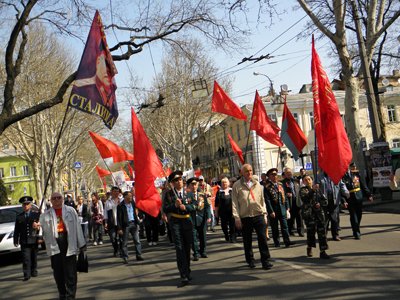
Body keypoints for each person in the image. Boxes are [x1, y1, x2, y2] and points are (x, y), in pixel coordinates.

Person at [39, 192, 86, 300]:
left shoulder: (71, 211)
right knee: (58, 271)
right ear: (50, 201)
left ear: (62, 199)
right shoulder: (46, 214)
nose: (56, 200)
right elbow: (40, 227)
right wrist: (37, 226)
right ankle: (62, 293)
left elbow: (78, 228)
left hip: (68, 241)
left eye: (58, 198)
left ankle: (70, 295)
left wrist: (82, 244)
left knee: (71, 272)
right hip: (55, 243)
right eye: (54, 198)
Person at [232, 164, 273, 270]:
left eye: (250, 170)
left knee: (262, 238)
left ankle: (265, 260)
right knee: (247, 240)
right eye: (246, 171)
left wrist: (264, 213)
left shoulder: (257, 184)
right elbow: (235, 203)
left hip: (258, 214)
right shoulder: (237, 185)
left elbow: (262, 199)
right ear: (241, 172)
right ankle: (250, 260)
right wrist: (236, 217)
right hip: (245, 216)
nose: (249, 172)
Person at [162, 170, 197, 286]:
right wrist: (174, 205)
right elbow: (165, 208)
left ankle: (187, 271)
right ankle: (183, 274)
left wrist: (186, 207)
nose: (179, 182)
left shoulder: (189, 192)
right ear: (172, 183)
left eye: (180, 179)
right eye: (176, 180)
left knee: (187, 248)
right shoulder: (168, 194)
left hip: (187, 222)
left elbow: (196, 205)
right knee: (180, 248)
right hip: (176, 223)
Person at [300, 175, 330, 259]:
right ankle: (309, 247)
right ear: (303, 182)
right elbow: (305, 199)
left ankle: (323, 251)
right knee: (311, 233)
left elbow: (324, 200)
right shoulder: (303, 190)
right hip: (309, 215)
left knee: (322, 232)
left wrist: (320, 204)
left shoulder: (318, 189)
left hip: (319, 214)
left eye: (309, 179)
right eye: (305, 180)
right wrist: (312, 191)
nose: (308, 181)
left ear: (312, 180)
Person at [342, 163, 373, 239]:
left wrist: (369, 195)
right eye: (352, 166)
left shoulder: (356, 174)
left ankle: (355, 227)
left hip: (359, 197)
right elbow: (341, 189)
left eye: (354, 166)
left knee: (359, 214)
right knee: (353, 216)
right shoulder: (342, 176)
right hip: (349, 198)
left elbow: (363, 185)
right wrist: (343, 200)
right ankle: (356, 232)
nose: (354, 167)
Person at [264, 168, 293, 248]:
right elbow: (267, 200)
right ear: (269, 176)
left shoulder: (280, 184)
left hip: (282, 208)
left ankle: (287, 241)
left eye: (275, 174)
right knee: (275, 227)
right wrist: (271, 211)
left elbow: (285, 196)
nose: (274, 176)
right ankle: (277, 242)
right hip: (274, 210)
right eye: (272, 175)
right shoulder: (267, 187)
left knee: (284, 226)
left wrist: (287, 208)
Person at [13, 196, 40, 281]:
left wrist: (40, 235)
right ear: (22, 206)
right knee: (26, 258)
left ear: (30, 205)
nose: (25, 206)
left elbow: (41, 228)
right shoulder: (19, 217)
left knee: (33, 257)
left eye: (27, 204)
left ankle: (33, 270)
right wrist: (15, 239)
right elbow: (16, 230)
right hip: (24, 241)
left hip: (34, 239)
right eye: (24, 205)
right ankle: (26, 274)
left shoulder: (36, 215)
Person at [317, 172, 349, 241]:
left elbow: (342, 185)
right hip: (324, 202)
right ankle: (324, 236)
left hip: (334, 201)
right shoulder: (319, 177)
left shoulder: (336, 175)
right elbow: (316, 188)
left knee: (334, 220)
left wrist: (346, 192)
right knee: (325, 220)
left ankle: (335, 235)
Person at [187, 177, 211, 260]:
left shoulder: (202, 194)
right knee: (193, 238)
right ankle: (196, 253)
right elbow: (186, 207)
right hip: (192, 219)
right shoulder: (187, 196)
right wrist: (192, 207)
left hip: (202, 219)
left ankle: (203, 251)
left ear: (197, 185)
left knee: (203, 237)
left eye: (195, 185)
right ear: (190, 186)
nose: (194, 186)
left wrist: (208, 216)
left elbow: (207, 206)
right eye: (192, 185)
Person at [117, 191, 143, 264]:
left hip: (134, 224)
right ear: (125, 197)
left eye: (131, 196)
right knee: (124, 242)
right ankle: (125, 257)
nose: (131, 197)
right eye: (129, 196)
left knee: (137, 241)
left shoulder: (133, 203)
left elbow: (136, 212)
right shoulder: (120, 206)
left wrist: (139, 219)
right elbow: (118, 218)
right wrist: (119, 228)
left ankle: (139, 255)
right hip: (126, 225)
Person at [281, 167, 304, 237]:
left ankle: (301, 231)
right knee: (290, 218)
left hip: (297, 201)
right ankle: (291, 231)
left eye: (290, 172)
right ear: (285, 174)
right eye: (287, 173)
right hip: (289, 202)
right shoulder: (282, 183)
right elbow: (282, 192)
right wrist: (286, 194)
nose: (289, 174)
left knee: (299, 217)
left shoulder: (296, 181)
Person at [215, 177, 236, 242]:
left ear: (228, 183)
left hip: (232, 211)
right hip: (223, 212)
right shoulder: (219, 192)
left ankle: (232, 237)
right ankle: (226, 234)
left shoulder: (232, 191)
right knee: (224, 225)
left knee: (232, 225)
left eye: (226, 182)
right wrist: (216, 212)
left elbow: (236, 201)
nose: (224, 184)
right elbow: (216, 203)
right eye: (223, 183)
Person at [104, 186, 122, 256]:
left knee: (121, 238)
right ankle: (116, 249)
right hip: (111, 222)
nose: (116, 193)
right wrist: (105, 222)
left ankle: (121, 250)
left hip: (120, 222)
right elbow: (105, 213)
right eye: (114, 191)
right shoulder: (108, 202)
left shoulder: (121, 200)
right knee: (113, 238)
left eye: (117, 191)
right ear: (111, 192)